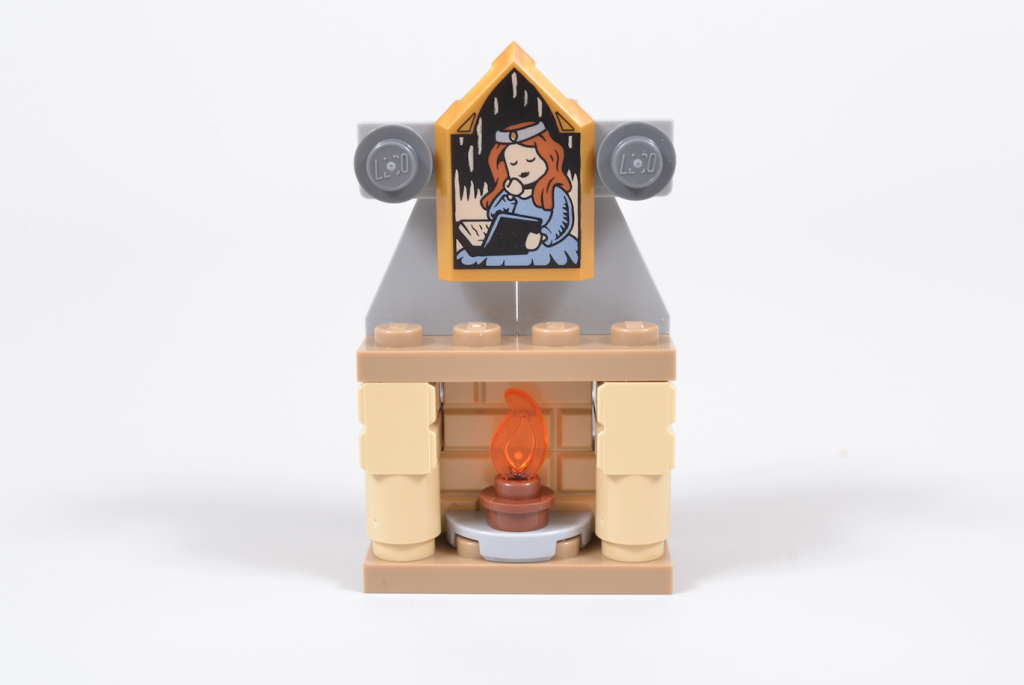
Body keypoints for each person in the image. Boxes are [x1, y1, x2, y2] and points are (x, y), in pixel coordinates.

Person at [457, 121, 578, 267]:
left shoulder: (555, 192)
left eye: (530, 160)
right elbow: (494, 214)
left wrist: (543, 236)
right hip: (511, 245)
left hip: (544, 246)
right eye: (513, 163)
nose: (522, 168)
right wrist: (509, 196)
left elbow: (562, 221)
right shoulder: (509, 192)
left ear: (548, 158)